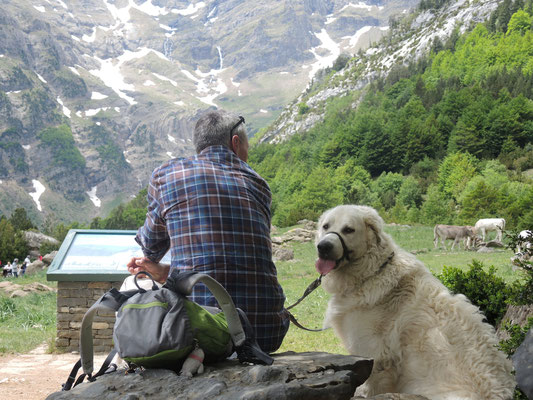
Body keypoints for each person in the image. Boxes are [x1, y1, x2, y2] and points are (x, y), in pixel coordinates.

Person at [128, 109, 289, 353]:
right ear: (236, 143)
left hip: (198, 335)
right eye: (247, 146)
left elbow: (150, 247)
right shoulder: (258, 184)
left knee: (131, 284)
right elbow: (234, 259)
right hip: (264, 332)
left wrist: (156, 266)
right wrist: (165, 272)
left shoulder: (167, 175)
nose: (247, 153)